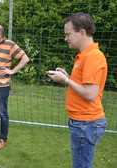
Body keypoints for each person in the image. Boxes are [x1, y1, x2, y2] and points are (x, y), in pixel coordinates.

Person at [47, 12, 107, 167]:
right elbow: (84, 86)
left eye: (68, 34)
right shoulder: (84, 55)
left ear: (82, 33)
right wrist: (68, 78)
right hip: (82, 122)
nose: (66, 38)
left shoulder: (92, 56)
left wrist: (66, 80)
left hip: (86, 123)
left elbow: (90, 94)